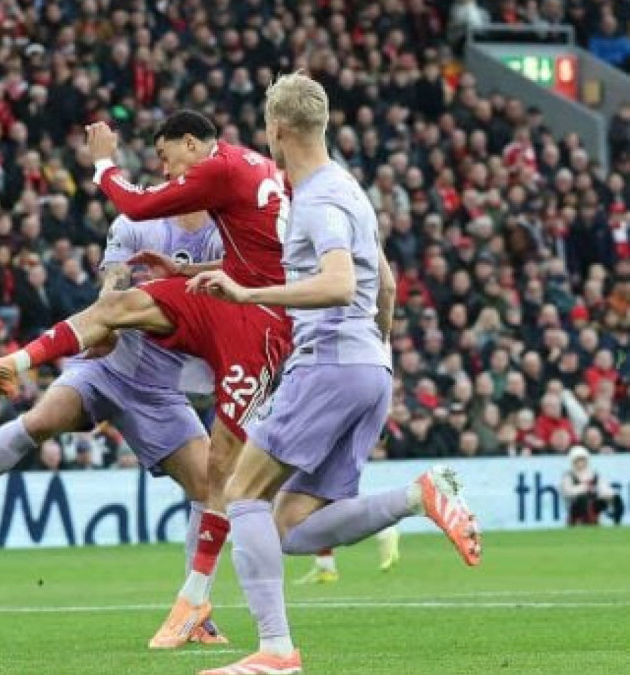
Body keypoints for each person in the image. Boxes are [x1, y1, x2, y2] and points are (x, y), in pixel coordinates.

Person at [0, 109, 293, 645]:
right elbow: (255, 257)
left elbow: (137, 203)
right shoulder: (250, 165)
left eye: (166, 156)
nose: (165, 168)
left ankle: (196, 597)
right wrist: (186, 271)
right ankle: (16, 362)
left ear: (192, 143)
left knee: (222, 466)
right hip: (227, 292)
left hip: (261, 322)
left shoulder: (219, 167)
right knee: (118, 304)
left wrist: (103, 164)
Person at [193, 73, 481, 675]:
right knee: (291, 526)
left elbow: (340, 283)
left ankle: (276, 652)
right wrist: (376, 352)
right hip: (367, 368)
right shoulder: (350, 189)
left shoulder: (319, 199)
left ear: (278, 130)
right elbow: (387, 286)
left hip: (328, 362)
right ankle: (417, 496)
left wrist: (247, 296)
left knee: (241, 493)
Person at [0, 212, 231, 645]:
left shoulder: (226, 230)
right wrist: (106, 318)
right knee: (40, 420)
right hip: (104, 366)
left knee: (208, 489)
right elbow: (113, 284)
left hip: (160, 390)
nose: (174, 178)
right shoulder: (137, 222)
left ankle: (195, 609)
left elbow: (240, 282)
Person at [561, 446, 625, 526]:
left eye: (582, 460)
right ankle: (586, 523)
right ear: (573, 462)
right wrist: (584, 487)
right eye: (578, 460)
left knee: (615, 498)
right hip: (576, 506)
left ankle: (617, 523)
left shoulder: (593, 475)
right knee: (582, 498)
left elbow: (604, 489)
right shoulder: (569, 476)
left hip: (593, 503)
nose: (580, 463)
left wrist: (610, 496)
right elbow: (567, 492)